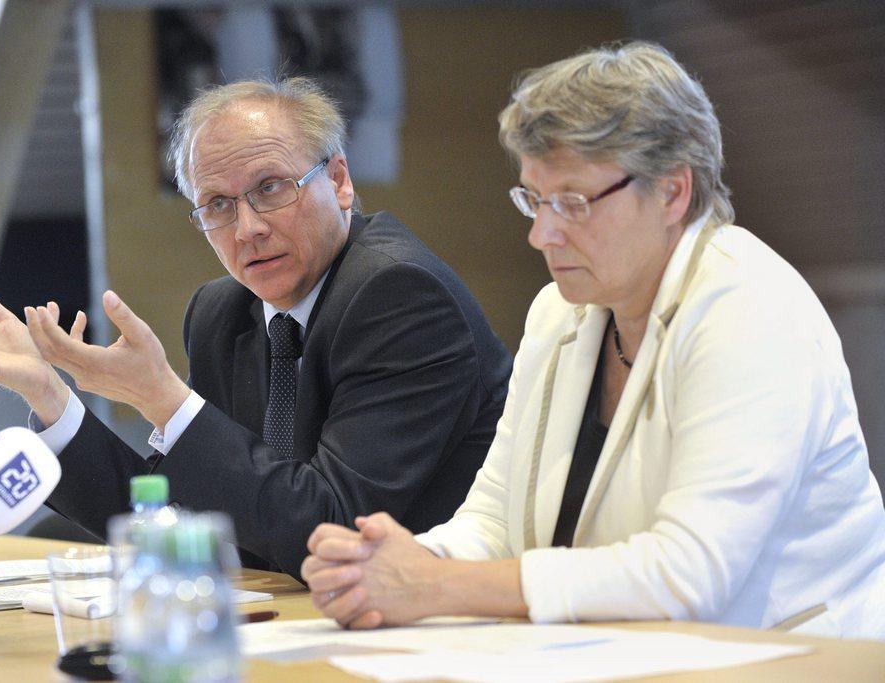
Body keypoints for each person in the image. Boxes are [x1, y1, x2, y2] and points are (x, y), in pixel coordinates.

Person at [302, 42, 885, 638]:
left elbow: (690, 574)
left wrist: (434, 587)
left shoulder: (749, 308)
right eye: (533, 199)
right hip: (629, 656)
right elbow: (493, 522)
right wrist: (386, 567)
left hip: (800, 662)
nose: (541, 234)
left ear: (672, 192)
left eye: (572, 203)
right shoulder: (560, 311)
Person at [0, 77, 512, 580]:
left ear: (339, 182)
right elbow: (175, 517)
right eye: (217, 204)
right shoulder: (221, 311)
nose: (248, 227)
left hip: (425, 625)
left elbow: (332, 527)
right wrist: (48, 394)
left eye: (271, 188)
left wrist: (163, 400)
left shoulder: (398, 294)